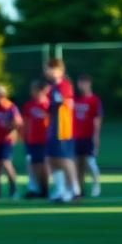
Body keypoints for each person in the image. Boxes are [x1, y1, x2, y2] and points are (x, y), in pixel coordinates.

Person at [44, 58, 79, 202]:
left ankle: (74, 190)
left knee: (65, 159)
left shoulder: (64, 85)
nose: (47, 72)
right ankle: (61, 189)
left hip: (63, 129)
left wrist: (61, 103)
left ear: (59, 70)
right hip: (54, 128)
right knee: (51, 158)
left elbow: (69, 104)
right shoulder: (51, 88)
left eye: (50, 69)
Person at [0, 85, 23, 199]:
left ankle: (14, 189)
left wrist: (9, 126)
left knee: (6, 162)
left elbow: (18, 122)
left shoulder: (9, 106)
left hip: (6, 140)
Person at [74, 75, 104, 198]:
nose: (81, 85)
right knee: (78, 164)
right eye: (80, 83)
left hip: (88, 137)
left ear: (89, 83)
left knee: (90, 162)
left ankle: (96, 185)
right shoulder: (76, 100)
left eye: (84, 83)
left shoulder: (94, 100)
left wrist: (96, 137)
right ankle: (80, 189)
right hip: (76, 137)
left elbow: (97, 120)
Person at [21, 81, 51, 198]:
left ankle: (45, 189)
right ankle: (36, 188)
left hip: (45, 140)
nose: (32, 92)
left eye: (34, 90)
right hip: (32, 140)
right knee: (34, 164)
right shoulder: (29, 105)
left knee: (44, 165)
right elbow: (26, 123)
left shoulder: (48, 105)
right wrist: (25, 137)